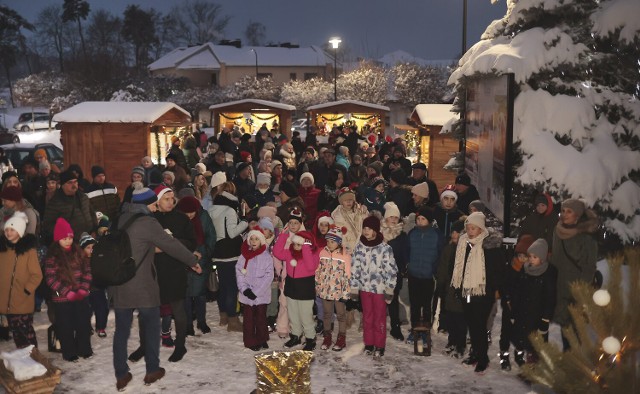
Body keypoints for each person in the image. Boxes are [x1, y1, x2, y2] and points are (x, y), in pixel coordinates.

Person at [110, 182, 201, 391]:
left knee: (121, 330)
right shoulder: (147, 223)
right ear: (148, 203)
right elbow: (171, 245)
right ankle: (152, 370)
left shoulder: (120, 219)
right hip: (143, 285)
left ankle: (121, 374)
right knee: (151, 327)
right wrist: (192, 261)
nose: (155, 207)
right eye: (153, 204)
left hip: (121, 283)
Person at [450, 212, 505, 374]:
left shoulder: (489, 246)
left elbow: (498, 271)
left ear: (481, 229)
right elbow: (458, 266)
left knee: (479, 325)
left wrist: (495, 289)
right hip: (467, 291)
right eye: (468, 227)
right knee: (472, 324)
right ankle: (475, 353)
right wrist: (457, 287)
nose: (470, 231)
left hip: (483, 292)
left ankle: (483, 358)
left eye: (473, 228)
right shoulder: (463, 243)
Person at [550, 198, 598, 351]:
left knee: (575, 330)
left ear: (577, 215)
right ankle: (568, 361)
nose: (564, 214)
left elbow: (589, 268)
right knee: (564, 329)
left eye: (569, 212)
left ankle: (575, 365)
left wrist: (580, 291)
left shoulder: (586, 239)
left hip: (575, 291)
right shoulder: (557, 231)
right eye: (563, 211)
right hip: (558, 287)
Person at [44, 218, 93, 362]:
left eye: (70, 238)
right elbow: (50, 278)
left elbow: (87, 271)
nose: (68, 241)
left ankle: (84, 349)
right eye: (64, 238)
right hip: (62, 298)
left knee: (83, 323)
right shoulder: (52, 256)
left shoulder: (78, 252)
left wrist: (84, 288)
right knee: (65, 326)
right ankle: (69, 352)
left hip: (80, 295)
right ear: (58, 239)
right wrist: (66, 292)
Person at [350, 215, 397, 359]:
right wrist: (354, 287)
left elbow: (391, 269)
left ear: (376, 230)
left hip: (379, 290)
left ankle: (380, 345)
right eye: (364, 228)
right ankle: (369, 343)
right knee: (367, 318)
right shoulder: (359, 247)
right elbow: (354, 268)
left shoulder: (385, 248)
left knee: (379, 319)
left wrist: (389, 288)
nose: (366, 231)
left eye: (369, 228)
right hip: (365, 289)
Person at [507, 238, 557, 367]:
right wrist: (513, 310)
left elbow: (549, 298)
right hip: (523, 312)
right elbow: (518, 291)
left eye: (534, 257)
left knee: (534, 344)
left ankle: (532, 368)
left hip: (537, 315)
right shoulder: (525, 269)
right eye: (530, 256)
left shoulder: (548, 274)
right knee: (520, 338)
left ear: (542, 258)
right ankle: (521, 360)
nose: (530, 259)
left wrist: (545, 319)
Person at [208, 182, 248, 332]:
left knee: (222, 287)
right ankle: (233, 321)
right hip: (230, 253)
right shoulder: (230, 210)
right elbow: (232, 233)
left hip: (216, 253)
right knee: (231, 287)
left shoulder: (211, 209)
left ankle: (223, 316)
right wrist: (244, 222)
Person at [0, 213, 41, 348]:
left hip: (22, 300)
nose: (8, 232)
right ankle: (24, 363)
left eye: (12, 229)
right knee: (17, 334)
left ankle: (34, 358)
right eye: (6, 230)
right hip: (6, 302)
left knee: (26, 333)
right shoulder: (3, 251)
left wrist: (26, 290)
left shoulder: (28, 251)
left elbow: (36, 275)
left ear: (20, 231)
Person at [405, 206, 443, 354]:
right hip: (414, 274)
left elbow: (440, 253)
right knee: (414, 304)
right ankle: (415, 329)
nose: (420, 222)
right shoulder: (412, 234)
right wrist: (408, 265)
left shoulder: (436, 235)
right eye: (418, 219)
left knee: (426, 305)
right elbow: (407, 251)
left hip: (428, 275)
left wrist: (435, 269)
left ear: (429, 220)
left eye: (423, 219)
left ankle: (426, 332)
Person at [272, 227, 318, 351]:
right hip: (291, 287)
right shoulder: (289, 253)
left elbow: (310, 267)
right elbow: (277, 253)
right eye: (295, 243)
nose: (297, 246)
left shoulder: (313, 253)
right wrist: (283, 236)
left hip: (305, 288)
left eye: (300, 244)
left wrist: (306, 248)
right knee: (293, 315)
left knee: (305, 316)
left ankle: (310, 338)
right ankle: (296, 335)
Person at [176, 196, 216, 335]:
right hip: (184, 260)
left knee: (200, 294)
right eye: (186, 212)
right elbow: (175, 240)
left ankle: (201, 322)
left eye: (192, 212)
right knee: (186, 295)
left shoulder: (204, 216)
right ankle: (188, 324)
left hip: (202, 260)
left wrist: (205, 253)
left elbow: (211, 236)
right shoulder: (178, 218)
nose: (189, 215)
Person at [496, 234, 535, 370]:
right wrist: (506, 298)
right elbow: (503, 285)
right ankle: (504, 356)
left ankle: (519, 355)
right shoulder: (510, 269)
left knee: (521, 333)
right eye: (520, 256)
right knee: (506, 332)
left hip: (523, 307)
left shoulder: (530, 272)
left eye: (526, 257)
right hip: (509, 305)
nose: (522, 259)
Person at [236, 227, 274, 351]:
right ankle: (250, 341)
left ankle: (262, 339)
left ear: (261, 241)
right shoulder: (243, 256)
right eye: (251, 238)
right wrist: (244, 289)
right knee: (249, 319)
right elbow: (239, 272)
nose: (253, 241)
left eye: (256, 238)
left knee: (261, 318)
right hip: (247, 295)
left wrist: (256, 292)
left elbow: (269, 276)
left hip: (261, 295)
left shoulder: (267, 256)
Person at [316, 225, 351, 351]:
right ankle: (327, 336)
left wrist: (346, 294)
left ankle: (341, 338)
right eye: (328, 241)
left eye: (333, 242)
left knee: (341, 314)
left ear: (339, 242)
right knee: (327, 314)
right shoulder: (322, 253)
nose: (329, 244)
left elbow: (348, 275)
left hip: (339, 292)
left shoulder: (345, 255)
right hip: (325, 291)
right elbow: (318, 271)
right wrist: (318, 286)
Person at [435, 220, 467, 359]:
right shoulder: (448, 249)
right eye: (453, 232)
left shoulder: (467, 250)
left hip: (461, 290)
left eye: (458, 232)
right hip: (449, 288)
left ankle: (460, 345)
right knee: (451, 318)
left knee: (460, 319)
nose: (454, 235)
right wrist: (441, 285)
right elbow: (442, 268)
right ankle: (452, 341)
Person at [42, 170, 97, 244]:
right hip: (71, 243)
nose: (74, 185)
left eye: (75, 182)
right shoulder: (55, 202)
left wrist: (95, 230)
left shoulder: (83, 197)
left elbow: (92, 213)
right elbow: (48, 224)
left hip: (90, 238)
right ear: (62, 185)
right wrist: (66, 236)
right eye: (70, 183)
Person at [379, 202, 409, 341]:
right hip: (378, 273)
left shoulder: (402, 236)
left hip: (394, 274)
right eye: (390, 217)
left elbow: (405, 253)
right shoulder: (378, 233)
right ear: (385, 218)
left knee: (393, 300)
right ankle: (379, 326)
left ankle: (395, 327)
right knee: (379, 301)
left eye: (395, 218)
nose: (393, 220)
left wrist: (402, 269)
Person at [79, 232, 108, 339]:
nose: (91, 249)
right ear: (82, 249)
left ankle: (101, 327)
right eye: (88, 247)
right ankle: (87, 327)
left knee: (102, 308)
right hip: (85, 290)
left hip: (97, 288)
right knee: (86, 310)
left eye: (93, 247)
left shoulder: (99, 258)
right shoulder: (80, 261)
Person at [331, 187, 368, 254]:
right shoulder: (338, 216)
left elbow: (367, 225)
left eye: (350, 199)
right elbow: (339, 235)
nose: (348, 202)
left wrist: (364, 213)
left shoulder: (360, 211)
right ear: (341, 202)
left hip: (363, 247)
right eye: (345, 200)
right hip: (347, 249)